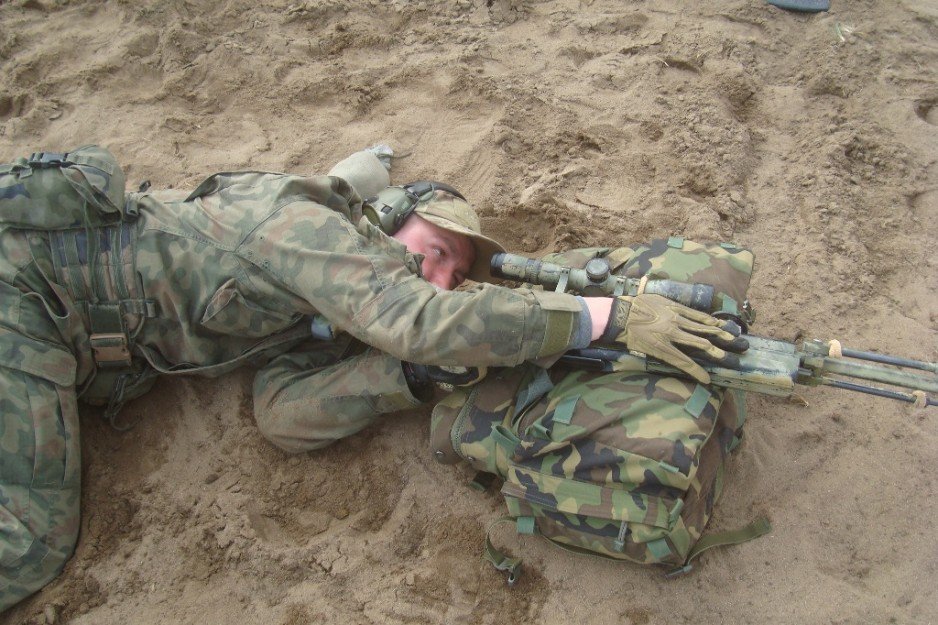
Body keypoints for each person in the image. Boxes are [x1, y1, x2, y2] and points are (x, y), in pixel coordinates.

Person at [0, 146, 746, 611]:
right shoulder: (317, 232)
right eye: (438, 247)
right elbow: (417, 317)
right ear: (387, 218)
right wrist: (600, 319)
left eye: (456, 269)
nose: (442, 274)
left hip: (70, 320)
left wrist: (411, 376)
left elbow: (282, 413)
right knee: (33, 542)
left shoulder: (331, 284)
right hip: (21, 294)